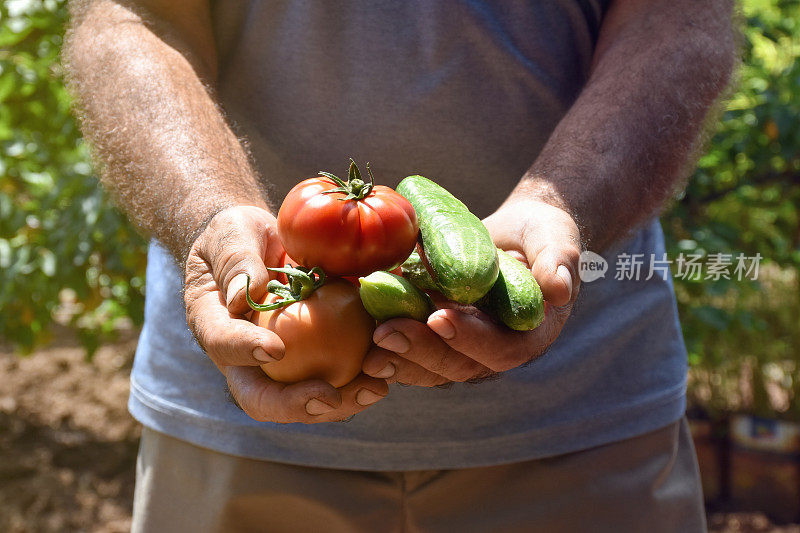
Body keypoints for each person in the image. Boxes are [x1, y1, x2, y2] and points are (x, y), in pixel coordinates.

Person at [65, 0, 736, 531]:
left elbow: (675, 13)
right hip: (234, 421)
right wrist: (208, 211)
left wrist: (564, 200)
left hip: (588, 419)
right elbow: (130, 15)